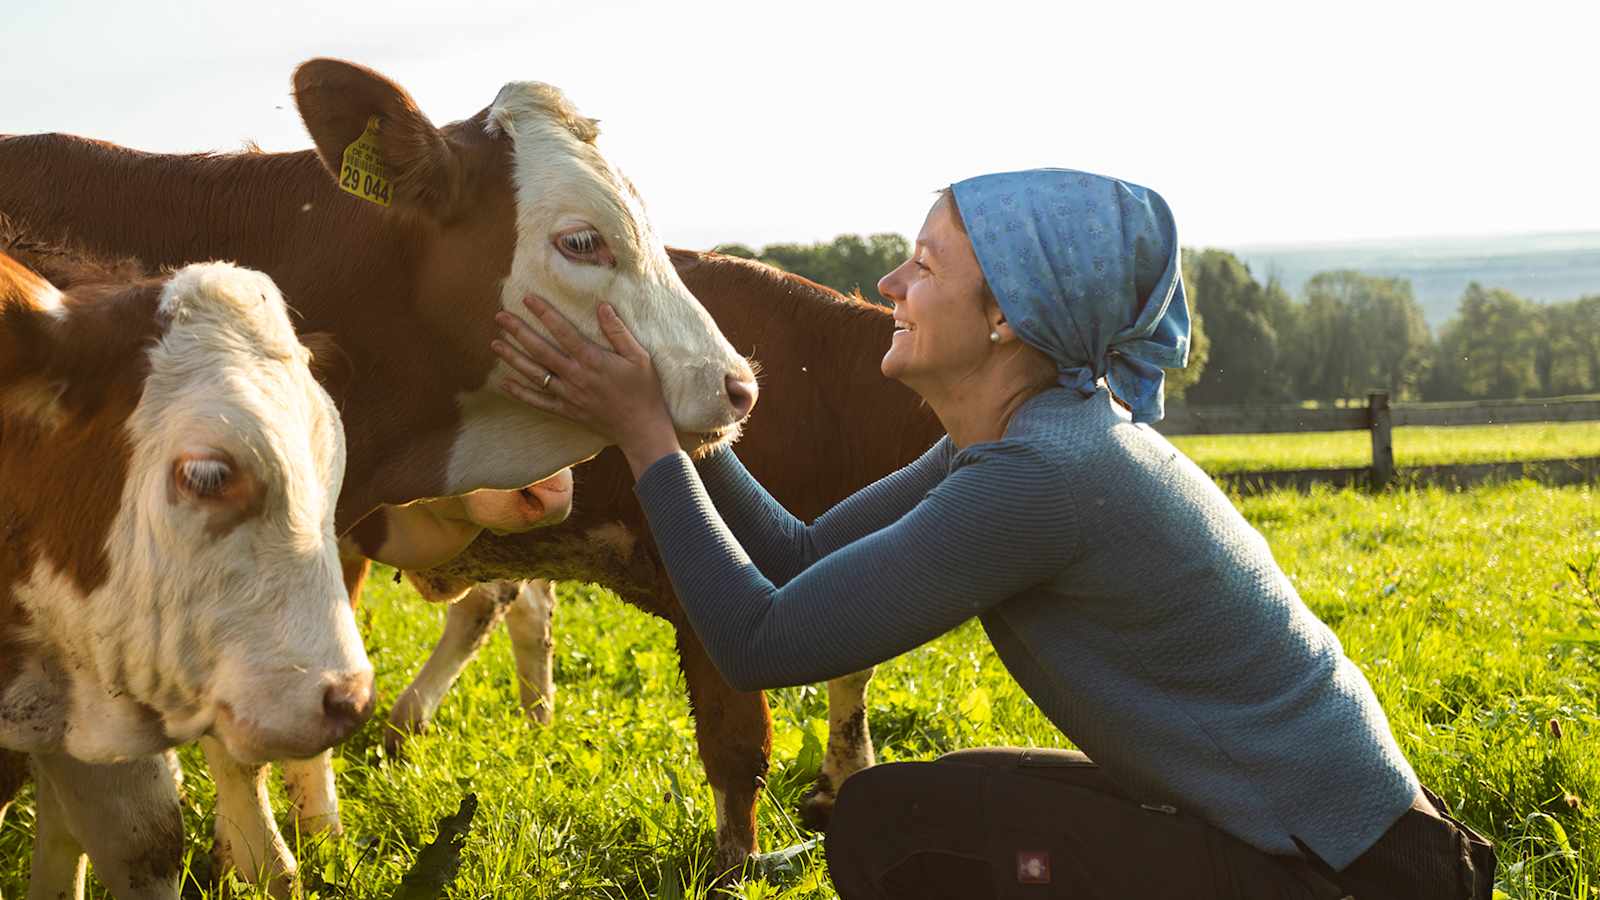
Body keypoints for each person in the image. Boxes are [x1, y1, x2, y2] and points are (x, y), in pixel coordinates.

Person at [489, 168, 1495, 899]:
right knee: (906, 805)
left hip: (1356, 875)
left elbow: (760, 642)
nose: (888, 283)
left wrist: (641, 434)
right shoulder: (1032, 433)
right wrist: (686, 418)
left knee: (898, 832)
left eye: (923, 266)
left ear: (1006, 316)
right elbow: (797, 557)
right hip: (1336, 845)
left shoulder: (1044, 475)